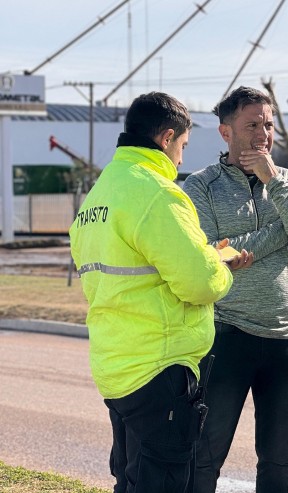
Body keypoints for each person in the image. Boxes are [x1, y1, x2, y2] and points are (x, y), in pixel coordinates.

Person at [69, 91, 253, 493]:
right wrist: (221, 266)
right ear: (167, 137)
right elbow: (200, 283)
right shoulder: (157, 193)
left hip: (116, 364)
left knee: (133, 478)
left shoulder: (99, 194)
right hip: (160, 366)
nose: (183, 159)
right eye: (183, 146)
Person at [182, 85, 288, 493]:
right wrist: (284, 230)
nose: (264, 133)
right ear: (225, 132)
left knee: (279, 458)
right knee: (206, 452)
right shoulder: (200, 186)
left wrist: (274, 183)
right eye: (252, 125)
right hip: (228, 333)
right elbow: (216, 254)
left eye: (269, 124)